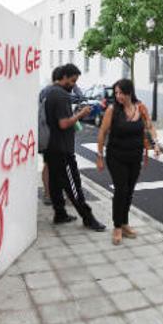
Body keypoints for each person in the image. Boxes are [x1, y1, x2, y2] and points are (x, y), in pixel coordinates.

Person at [95, 79, 160, 245]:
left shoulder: (141, 108)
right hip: (116, 156)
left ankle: (124, 224)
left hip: (135, 156)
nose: (118, 96)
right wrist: (99, 156)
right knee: (121, 190)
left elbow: (150, 127)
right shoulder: (112, 110)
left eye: (121, 93)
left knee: (129, 191)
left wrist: (156, 144)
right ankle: (117, 227)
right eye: (116, 93)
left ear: (129, 92)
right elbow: (102, 133)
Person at [44, 64, 106, 231]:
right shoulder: (61, 95)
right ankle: (88, 218)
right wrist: (81, 114)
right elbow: (64, 123)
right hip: (62, 149)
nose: (74, 84)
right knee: (74, 185)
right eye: (72, 81)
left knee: (56, 183)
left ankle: (60, 214)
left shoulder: (48, 92)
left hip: (50, 146)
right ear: (64, 77)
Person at [38, 66, 64, 206]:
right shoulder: (57, 93)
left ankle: (48, 194)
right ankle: (51, 194)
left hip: (44, 135)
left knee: (47, 165)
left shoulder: (44, 92)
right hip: (54, 136)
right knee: (53, 166)